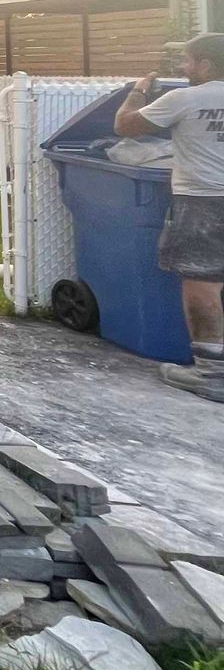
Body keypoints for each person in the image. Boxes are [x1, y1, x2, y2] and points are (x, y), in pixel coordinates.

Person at [115, 33, 224, 399]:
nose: (183, 68)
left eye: (189, 61)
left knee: (201, 281)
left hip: (203, 202)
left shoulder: (185, 98)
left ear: (206, 65)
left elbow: (125, 126)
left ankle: (211, 373)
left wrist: (139, 90)